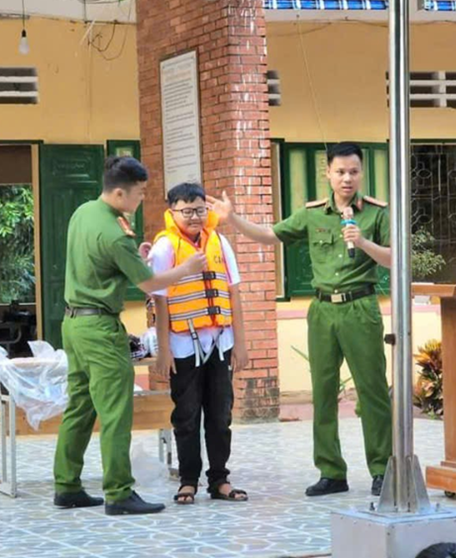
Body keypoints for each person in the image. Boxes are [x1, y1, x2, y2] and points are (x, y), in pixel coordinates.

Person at [208, 142, 393, 497]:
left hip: (360, 308)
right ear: (328, 173)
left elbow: (395, 259)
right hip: (322, 310)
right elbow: (269, 236)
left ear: (362, 173)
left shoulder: (377, 214)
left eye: (353, 171)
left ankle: (381, 469)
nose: (347, 178)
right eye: (340, 172)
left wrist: (363, 241)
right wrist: (232, 219)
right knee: (323, 393)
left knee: (372, 393)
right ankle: (331, 471)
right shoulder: (311, 214)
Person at [53, 156, 208, 516]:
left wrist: (131, 260)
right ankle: (119, 493)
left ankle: (67, 485)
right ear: (120, 192)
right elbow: (150, 283)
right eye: (139, 194)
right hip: (99, 329)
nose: (141, 201)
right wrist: (185, 268)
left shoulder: (85, 212)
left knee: (79, 406)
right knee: (115, 411)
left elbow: (99, 266)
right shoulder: (115, 232)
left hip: (73, 324)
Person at [148, 183, 249, 505]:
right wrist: (163, 350)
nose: (194, 216)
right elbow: (159, 300)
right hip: (182, 344)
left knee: (221, 414)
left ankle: (219, 479)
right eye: (186, 210)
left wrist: (241, 344)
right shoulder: (165, 247)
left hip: (220, 341)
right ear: (172, 212)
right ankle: (188, 480)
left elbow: (233, 292)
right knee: (187, 415)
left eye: (199, 209)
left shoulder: (218, 241)